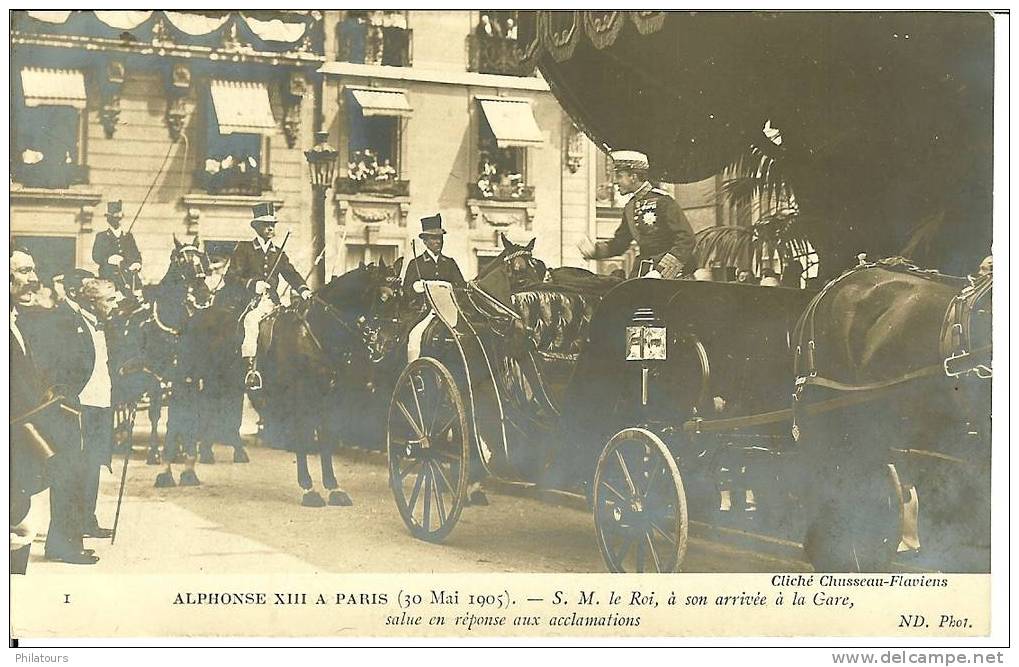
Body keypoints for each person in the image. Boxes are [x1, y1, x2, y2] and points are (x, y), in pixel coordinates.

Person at [227, 202, 311, 390]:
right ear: (257, 227)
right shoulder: (244, 249)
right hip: (250, 302)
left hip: (273, 302)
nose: (271, 228)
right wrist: (252, 284)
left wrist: (303, 289)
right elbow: (231, 277)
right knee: (251, 321)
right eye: (266, 225)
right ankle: (251, 369)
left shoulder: (278, 252)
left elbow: (291, 273)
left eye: (273, 224)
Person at [10, 249, 58, 572]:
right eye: (25, 271)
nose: (34, 279)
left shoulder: (17, 320)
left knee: (21, 524)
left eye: (33, 270)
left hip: (19, 439)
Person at [579, 150, 695, 279]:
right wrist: (596, 251)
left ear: (633, 177)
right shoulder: (630, 206)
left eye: (619, 176)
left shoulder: (663, 201)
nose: (615, 182)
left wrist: (661, 272)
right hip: (642, 271)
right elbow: (620, 243)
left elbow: (686, 240)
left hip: (672, 276)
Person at [403, 214, 466, 362]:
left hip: (450, 312)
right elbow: (406, 291)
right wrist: (416, 288)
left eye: (440, 238)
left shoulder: (449, 263)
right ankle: (414, 369)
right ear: (425, 241)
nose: (438, 242)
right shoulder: (416, 264)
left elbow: (461, 287)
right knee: (414, 336)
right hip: (425, 312)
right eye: (433, 238)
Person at [92, 200, 143, 294]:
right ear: (108, 219)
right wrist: (108, 259)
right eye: (113, 217)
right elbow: (96, 256)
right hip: (109, 278)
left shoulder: (128, 236)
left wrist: (137, 263)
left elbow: (136, 255)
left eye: (118, 218)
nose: (117, 221)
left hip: (128, 278)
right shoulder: (101, 236)